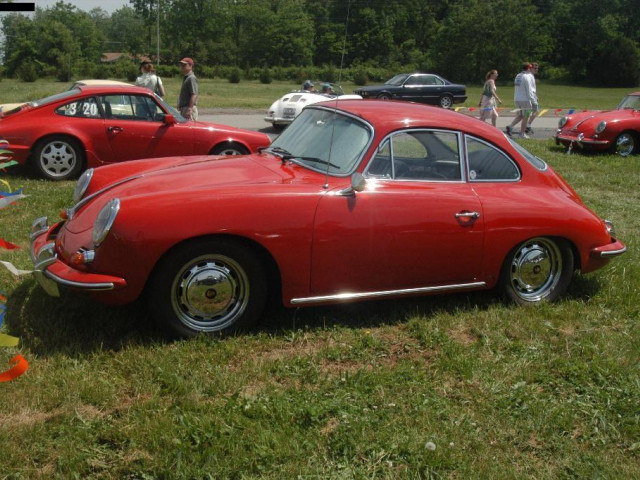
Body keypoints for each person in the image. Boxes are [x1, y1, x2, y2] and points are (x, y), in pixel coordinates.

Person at [505, 62, 536, 138]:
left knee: (520, 115)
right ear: (528, 68)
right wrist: (533, 101)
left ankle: (510, 126)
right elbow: (528, 90)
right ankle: (521, 134)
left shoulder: (518, 75)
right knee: (526, 116)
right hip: (525, 99)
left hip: (517, 98)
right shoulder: (527, 77)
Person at [526, 63, 539, 134]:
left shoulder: (531, 76)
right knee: (536, 111)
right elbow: (530, 88)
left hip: (533, 95)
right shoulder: (530, 76)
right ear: (530, 68)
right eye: (535, 68)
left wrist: (536, 96)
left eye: (537, 68)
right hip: (531, 95)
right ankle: (528, 126)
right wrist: (533, 96)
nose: (536, 70)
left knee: (529, 111)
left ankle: (526, 125)